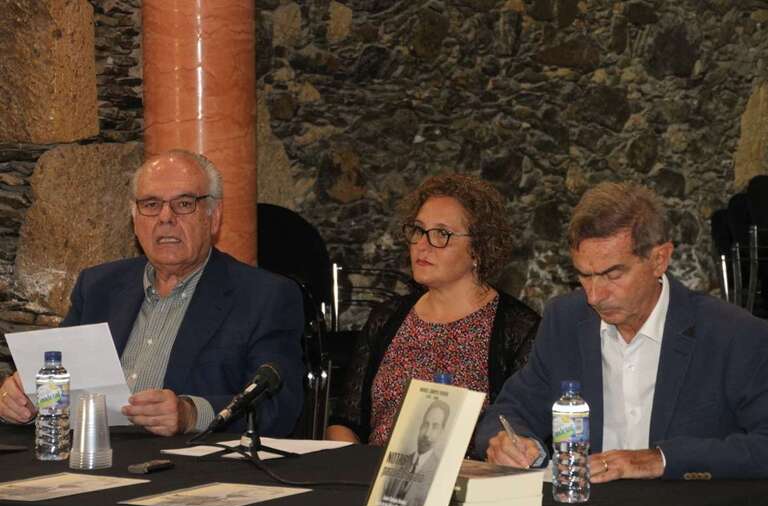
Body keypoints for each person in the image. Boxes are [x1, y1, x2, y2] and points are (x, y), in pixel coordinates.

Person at [476, 181, 768, 480]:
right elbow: (509, 411)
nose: (594, 295)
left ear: (659, 259)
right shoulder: (565, 320)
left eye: (613, 274)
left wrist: (661, 459)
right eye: (584, 276)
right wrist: (506, 441)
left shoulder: (733, 334)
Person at [0, 150, 304, 437]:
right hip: (93, 453)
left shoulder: (264, 296)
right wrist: (19, 396)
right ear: (135, 218)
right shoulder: (98, 286)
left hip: (184, 470)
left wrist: (191, 415)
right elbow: (58, 376)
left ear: (213, 216)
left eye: (184, 203)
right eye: (151, 204)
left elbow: (279, 408)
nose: (165, 217)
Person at [326, 174, 540, 445]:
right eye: (418, 230)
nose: (422, 245)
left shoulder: (517, 329)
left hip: (467, 481)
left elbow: (520, 431)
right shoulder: (387, 317)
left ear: (478, 249)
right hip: (372, 477)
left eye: (441, 234)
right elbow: (346, 421)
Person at [380, 399, 450, 506]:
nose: (427, 433)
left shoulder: (441, 471)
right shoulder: (397, 462)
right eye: (425, 424)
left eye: (435, 427)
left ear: (441, 432)